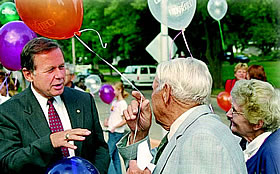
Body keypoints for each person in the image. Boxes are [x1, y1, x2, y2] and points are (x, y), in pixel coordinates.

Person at [117, 58, 247, 174]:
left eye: (154, 89)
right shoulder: (191, 128)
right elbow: (146, 167)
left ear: (166, 93)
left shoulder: (201, 139)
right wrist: (139, 133)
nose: (151, 97)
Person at [0, 37, 110, 173]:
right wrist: (50, 142)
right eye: (50, 70)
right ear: (28, 75)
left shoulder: (83, 100)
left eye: (61, 67)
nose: (59, 75)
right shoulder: (9, 112)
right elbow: (8, 162)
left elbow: (100, 148)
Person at [226, 79, 280, 173]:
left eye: (234, 110)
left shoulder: (271, 156)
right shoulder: (247, 142)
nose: (228, 114)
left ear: (257, 124)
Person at [104, 82, 129, 174]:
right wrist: (108, 121)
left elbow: (125, 120)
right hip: (111, 131)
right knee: (115, 156)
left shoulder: (123, 104)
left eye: (114, 90)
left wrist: (115, 126)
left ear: (120, 90)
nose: (112, 92)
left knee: (107, 154)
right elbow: (113, 115)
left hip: (117, 133)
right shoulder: (114, 102)